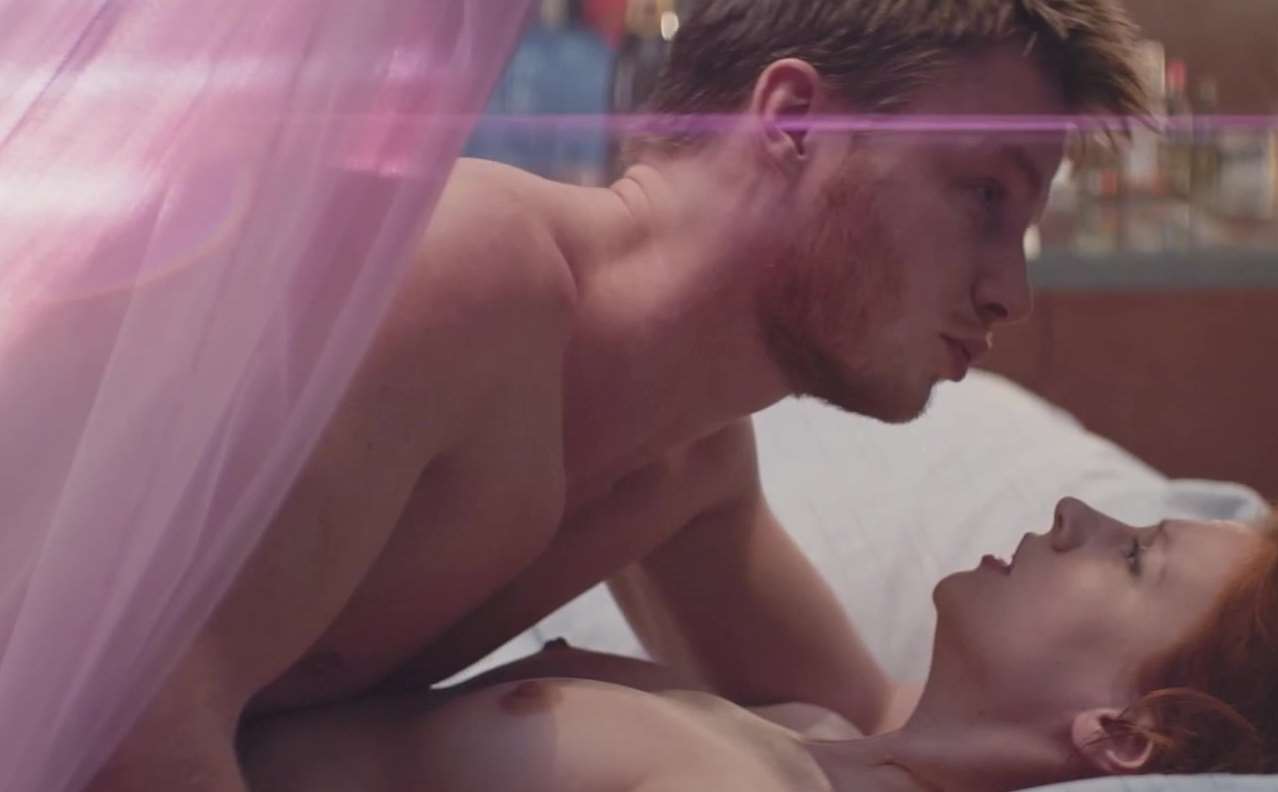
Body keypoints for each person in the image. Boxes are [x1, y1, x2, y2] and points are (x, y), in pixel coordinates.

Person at [88, 3, 1154, 790]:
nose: (1009, 291)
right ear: (794, 121)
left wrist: (1195, 690)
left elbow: (886, 721)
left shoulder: (685, 464)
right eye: (983, 196)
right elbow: (125, 710)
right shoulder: (469, 279)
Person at [235, 500, 1278, 791]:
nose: (1074, 512)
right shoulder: (828, 734)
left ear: (1127, 737)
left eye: (1130, 557)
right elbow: (688, 485)